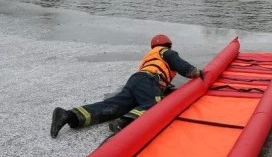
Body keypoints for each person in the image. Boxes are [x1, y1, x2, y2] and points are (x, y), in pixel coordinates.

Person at [50, 34, 203, 138]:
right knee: (155, 104)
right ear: (168, 45)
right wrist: (195, 72)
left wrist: (164, 88)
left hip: (136, 80)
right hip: (148, 80)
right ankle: (123, 122)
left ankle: (70, 116)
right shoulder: (166, 51)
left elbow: (157, 74)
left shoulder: (149, 57)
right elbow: (181, 65)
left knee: (114, 105)